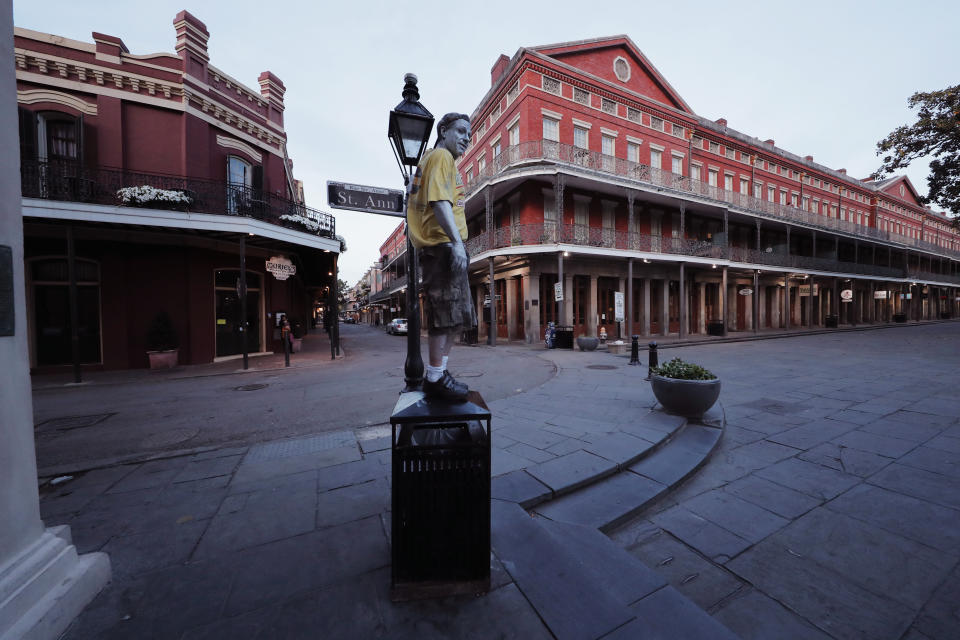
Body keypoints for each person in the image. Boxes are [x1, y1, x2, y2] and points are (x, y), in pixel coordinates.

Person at [406, 112, 476, 402]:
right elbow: (439, 203)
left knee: (455, 318)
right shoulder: (440, 157)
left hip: (446, 246)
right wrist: (457, 244)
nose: (466, 138)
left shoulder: (438, 162)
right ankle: (435, 377)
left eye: (469, 135)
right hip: (443, 246)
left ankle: (440, 373)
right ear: (443, 130)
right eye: (460, 131)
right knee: (445, 315)